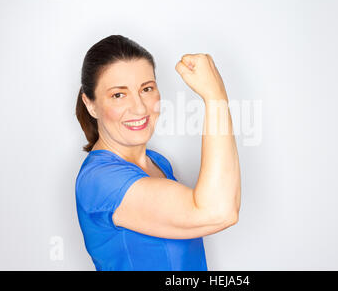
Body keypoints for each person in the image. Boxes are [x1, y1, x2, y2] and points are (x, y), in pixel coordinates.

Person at [74, 35, 241, 271]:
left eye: (146, 89)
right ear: (90, 104)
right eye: (118, 94)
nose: (140, 107)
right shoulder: (101, 180)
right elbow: (218, 211)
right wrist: (216, 98)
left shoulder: (158, 162)